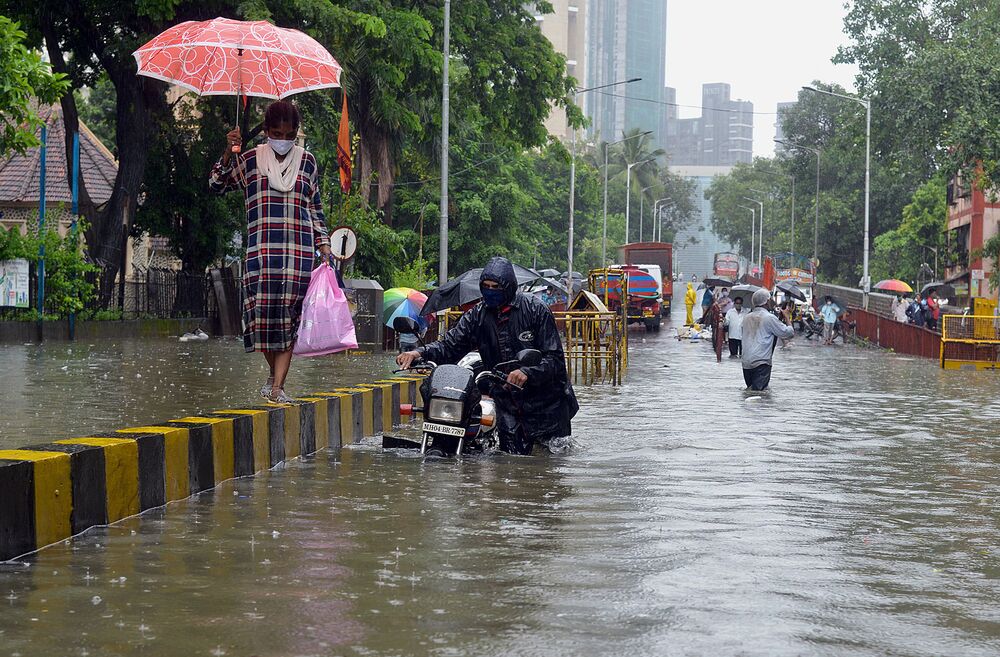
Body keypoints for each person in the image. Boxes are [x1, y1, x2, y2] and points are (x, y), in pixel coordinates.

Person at [209, 100, 332, 403]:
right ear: (266, 131)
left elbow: (315, 208)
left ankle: (277, 388)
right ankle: (272, 377)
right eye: (277, 133)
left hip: (298, 254)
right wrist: (229, 150)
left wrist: (324, 242)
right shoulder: (249, 160)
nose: (283, 139)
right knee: (262, 321)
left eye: (289, 135)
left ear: (296, 134)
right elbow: (216, 185)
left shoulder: (308, 163)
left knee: (290, 323)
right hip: (261, 256)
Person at [396, 256, 579, 455]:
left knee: (550, 465)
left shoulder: (536, 310)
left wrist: (527, 371)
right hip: (507, 401)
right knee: (510, 461)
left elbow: (554, 359)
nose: (490, 291)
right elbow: (450, 345)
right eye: (486, 286)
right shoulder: (477, 315)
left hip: (546, 404)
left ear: (508, 287)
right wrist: (419, 352)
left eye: (496, 287)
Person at [741, 289, 794, 391]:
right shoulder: (769, 318)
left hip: (746, 363)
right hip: (761, 362)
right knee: (759, 395)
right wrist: (787, 317)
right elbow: (789, 333)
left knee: (751, 391)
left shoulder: (746, 318)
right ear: (767, 302)